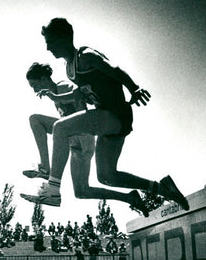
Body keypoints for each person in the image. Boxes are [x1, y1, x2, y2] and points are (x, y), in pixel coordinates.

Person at [22, 18, 189, 214]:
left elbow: (114, 69)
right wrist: (56, 96)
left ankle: (53, 189)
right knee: (106, 176)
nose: (48, 48)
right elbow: (78, 93)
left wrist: (134, 89)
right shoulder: (69, 69)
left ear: (64, 38)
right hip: (108, 121)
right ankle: (162, 188)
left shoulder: (85, 56)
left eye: (50, 41)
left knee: (61, 127)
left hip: (114, 113)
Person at [20, 62, 147, 213]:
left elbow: (81, 108)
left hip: (83, 138)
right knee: (81, 192)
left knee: (35, 120)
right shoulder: (53, 95)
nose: (34, 90)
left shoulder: (63, 87)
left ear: (43, 79)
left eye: (34, 85)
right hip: (77, 142)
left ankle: (46, 168)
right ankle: (130, 198)